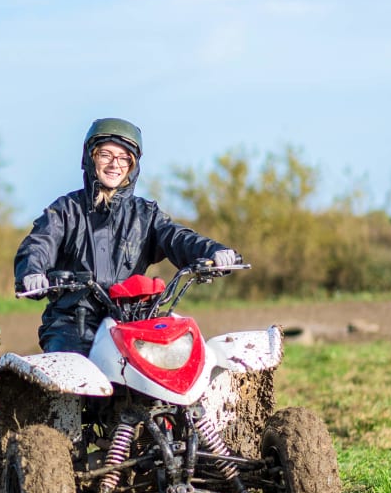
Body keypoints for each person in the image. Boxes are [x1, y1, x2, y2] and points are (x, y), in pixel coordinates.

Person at [14, 118, 239, 354]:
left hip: (132, 322)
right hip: (73, 324)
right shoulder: (65, 211)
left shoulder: (146, 215)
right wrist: (33, 272)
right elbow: (39, 244)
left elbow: (178, 237)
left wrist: (213, 252)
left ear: (132, 166)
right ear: (90, 158)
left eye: (124, 158)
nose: (115, 165)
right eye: (106, 155)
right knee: (68, 380)